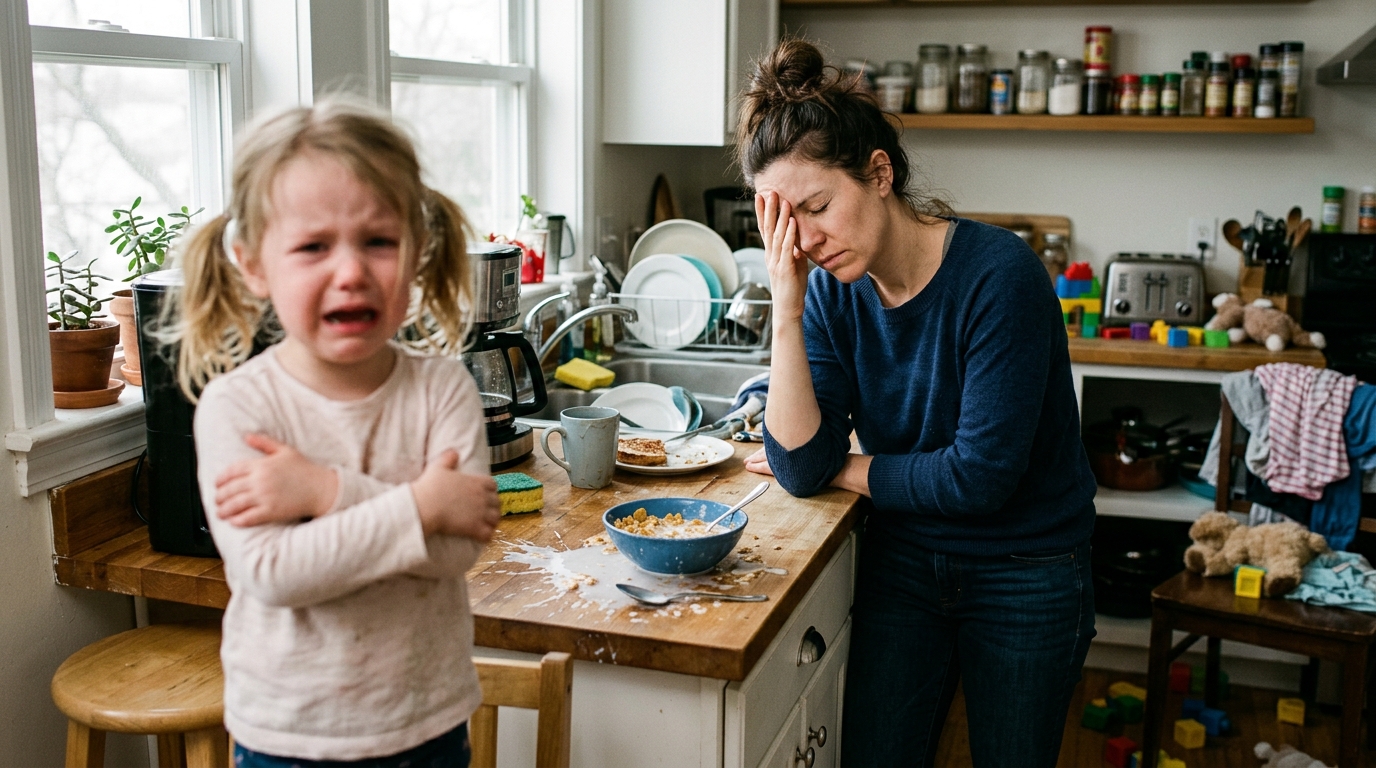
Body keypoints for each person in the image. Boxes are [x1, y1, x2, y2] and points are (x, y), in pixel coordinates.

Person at [736, 40, 1098, 767]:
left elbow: (978, 477)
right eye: (786, 224)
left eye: (817, 207)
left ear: (879, 173)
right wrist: (787, 307)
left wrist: (847, 468)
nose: (806, 240)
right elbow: (799, 461)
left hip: (1028, 569)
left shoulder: (1001, 278)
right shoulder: (832, 291)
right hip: (905, 560)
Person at [169, 98, 500, 767]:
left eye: (378, 241)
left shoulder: (443, 388)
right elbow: (273, 573)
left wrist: (325, 492)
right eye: (313, 247)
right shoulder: (237, 408)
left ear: (415, 250)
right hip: (289, 739)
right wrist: (420, 505)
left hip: (427, 727)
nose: (350, 271)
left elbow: (454, 554)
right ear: (254, 262)